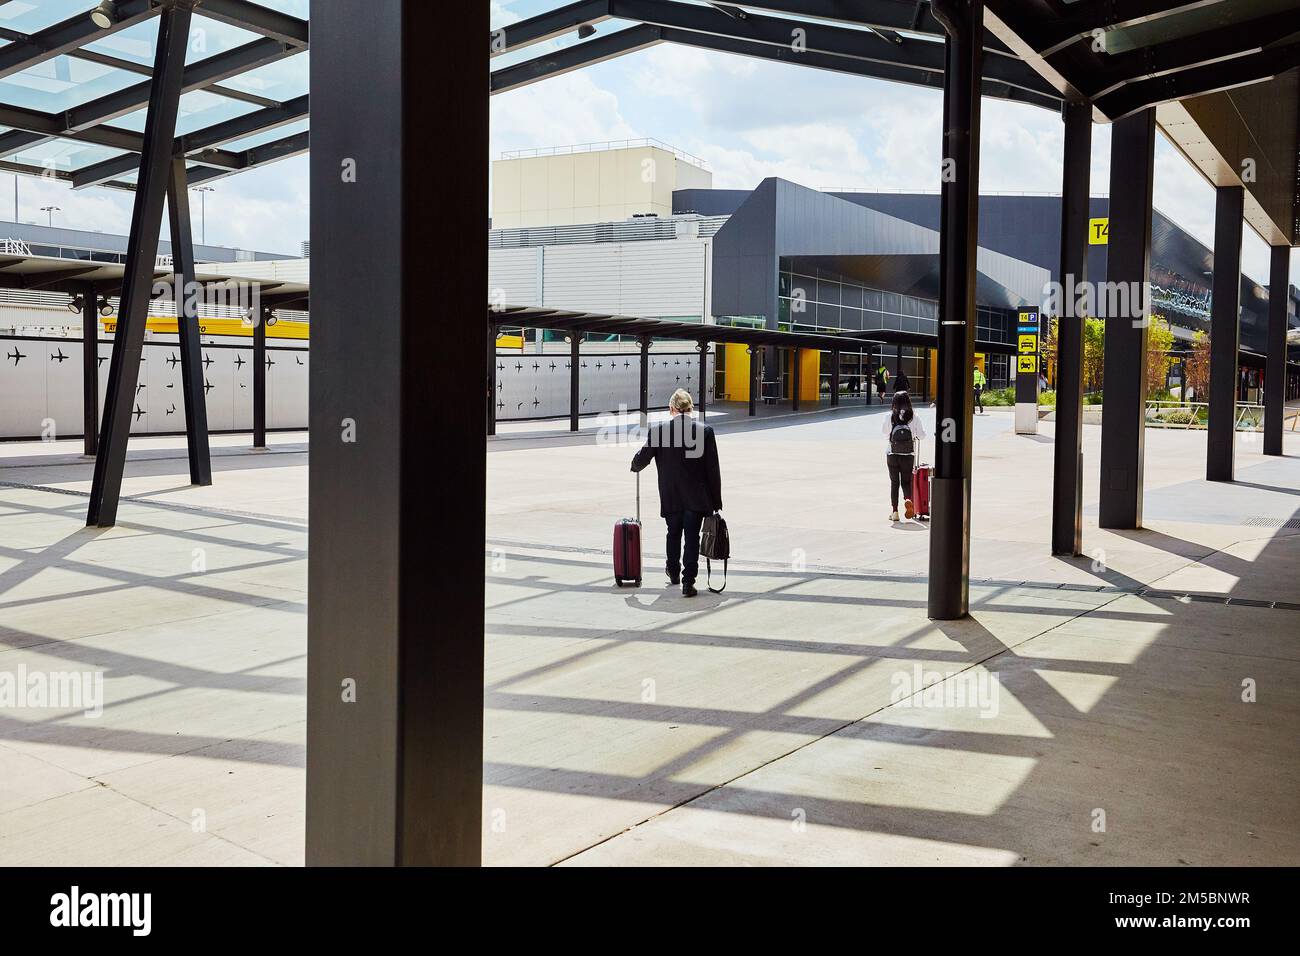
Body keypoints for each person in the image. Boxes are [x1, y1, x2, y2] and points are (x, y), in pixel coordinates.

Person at [631, 388, 723, 598]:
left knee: (673, 533)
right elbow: (712, 469)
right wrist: (716, 501)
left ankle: (673, 571)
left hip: (670, 495)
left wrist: (634, 464)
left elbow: (642, 458)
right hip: (696, 497)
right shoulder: (705, 432)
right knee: (691, 538)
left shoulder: (658, 431)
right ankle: (687, 582)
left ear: (671, 409)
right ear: (691, 408)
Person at [881, 390, 926, 522]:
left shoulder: (889, 416)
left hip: (892, 453)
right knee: (906, 482)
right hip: (908, 454)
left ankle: (895, 512)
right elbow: (921, 435)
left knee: (894, 483)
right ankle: (908, 500)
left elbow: (884, 433)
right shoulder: (914, 416)